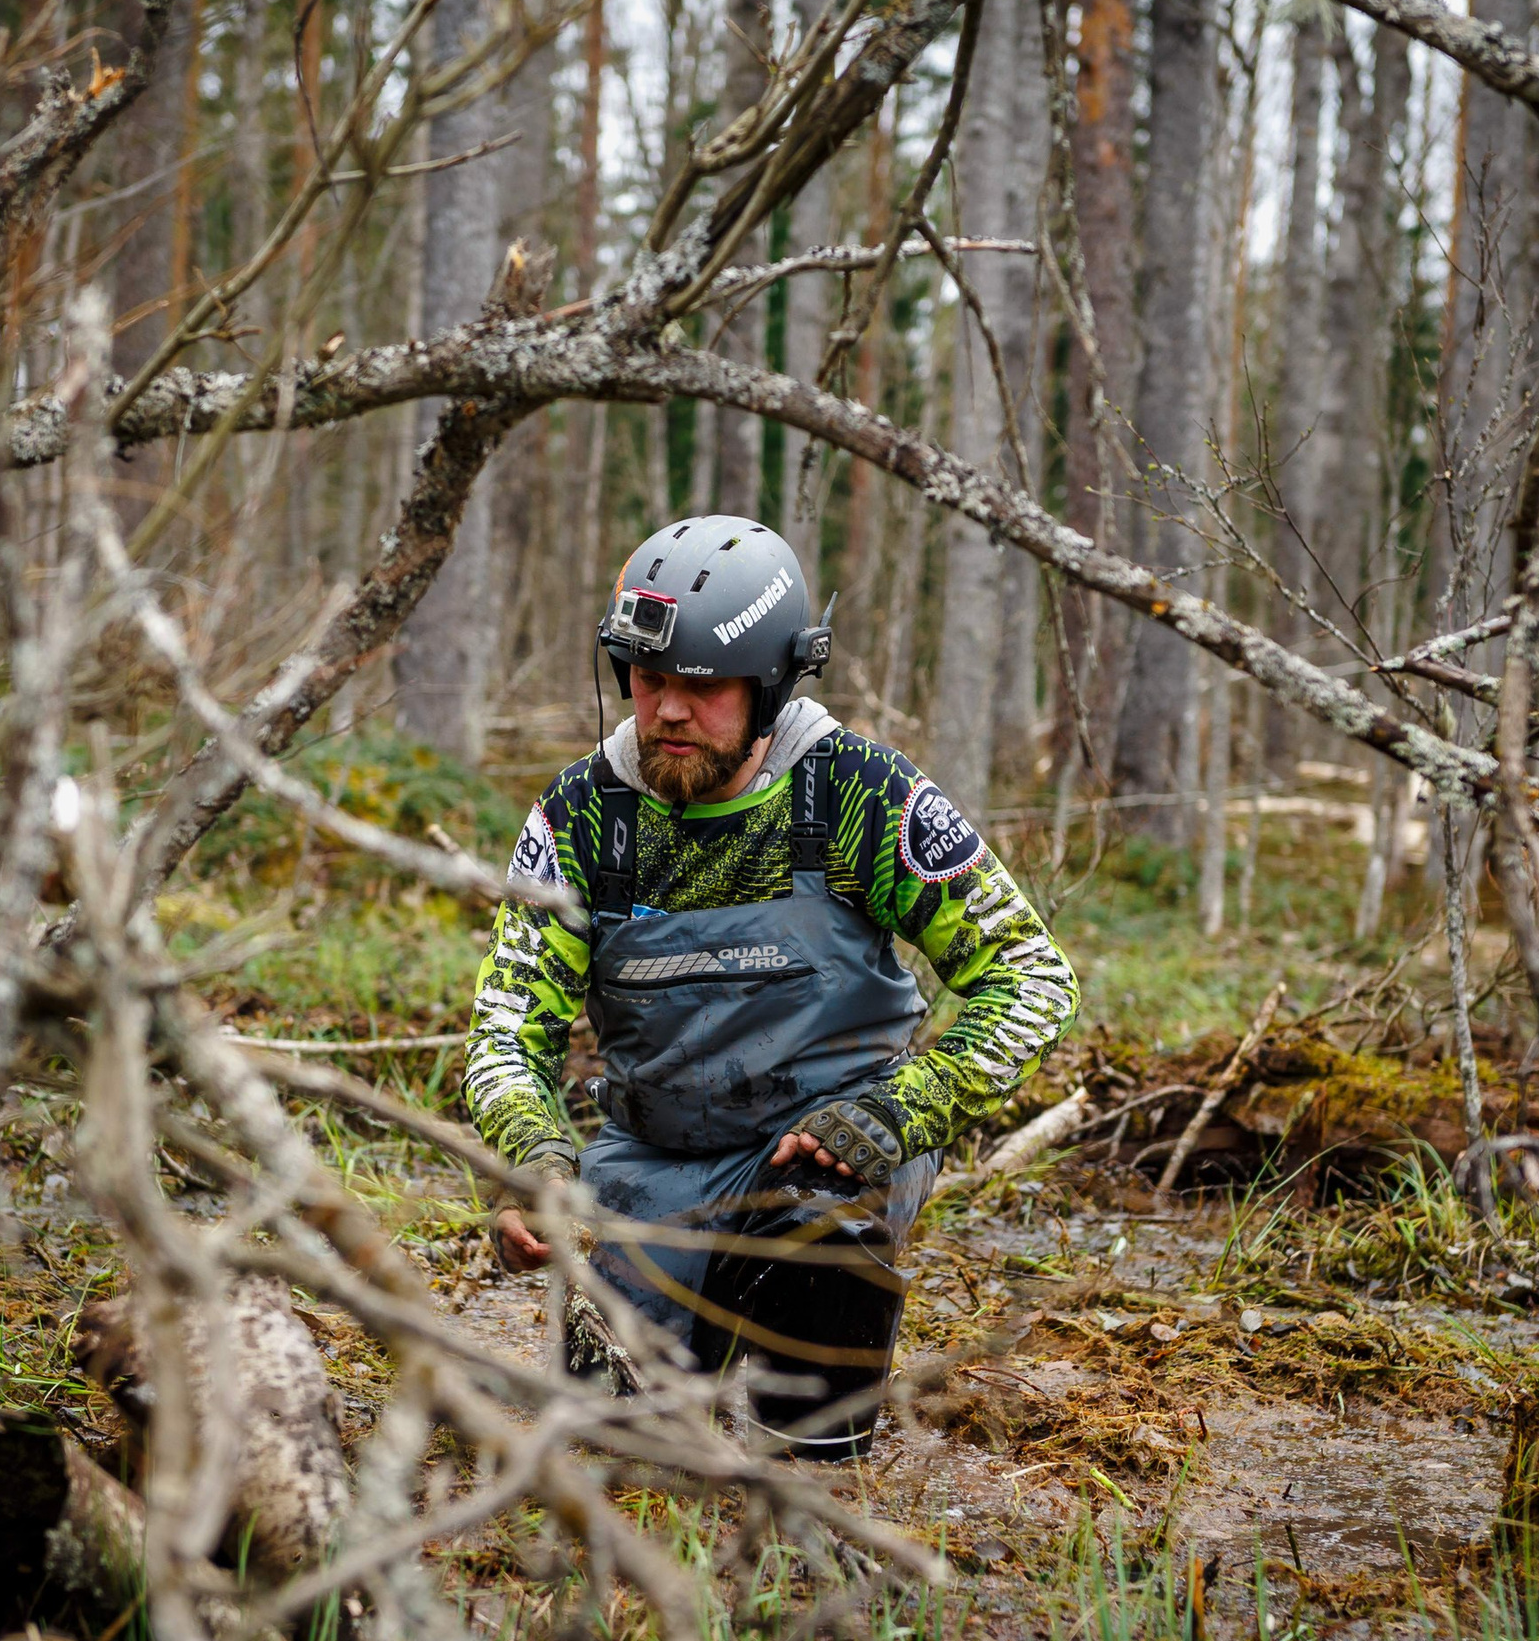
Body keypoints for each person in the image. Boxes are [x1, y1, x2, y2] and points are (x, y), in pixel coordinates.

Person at [461, 515, 1079, 1459]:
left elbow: (1030, 975)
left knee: (819, 1240)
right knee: (622, 1445)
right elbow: (505, 1031)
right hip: (654, 1162)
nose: (666, 710)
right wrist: (532, 1163)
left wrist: (900, 1109)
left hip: (828, 1147)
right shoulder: (582, 816)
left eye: (702, 686)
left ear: (772, 681)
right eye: (648, 677)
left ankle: (822, 1482)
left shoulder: (859, 794)